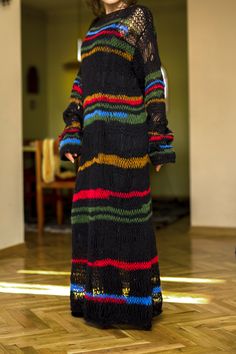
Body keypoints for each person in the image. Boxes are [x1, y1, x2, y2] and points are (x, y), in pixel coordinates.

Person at [58, 0, 176, 330]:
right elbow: (81, 85)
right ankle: (100, 302)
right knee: (94, 222)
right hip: (94, 144)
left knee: (127, 222)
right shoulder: (93, 28)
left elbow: (153, 77)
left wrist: (157, 136)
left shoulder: (139, 17)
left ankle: (134, 305)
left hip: (127, 138)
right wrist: (72, 130)